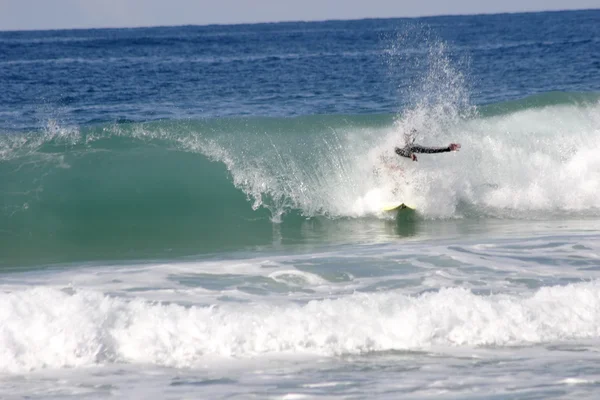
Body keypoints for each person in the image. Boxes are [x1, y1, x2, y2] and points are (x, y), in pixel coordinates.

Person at [395, 142, 461, 161]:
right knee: (428, 150)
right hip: (410, 147)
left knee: (428, 150)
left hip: (410, 148)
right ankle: (448, 148)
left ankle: (448, 148)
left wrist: (410, 155)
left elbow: (397, 150)